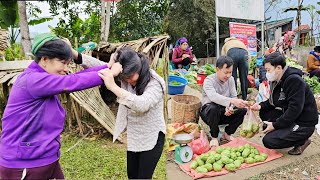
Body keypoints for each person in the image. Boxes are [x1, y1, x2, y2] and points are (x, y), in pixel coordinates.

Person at [0, 33, 122, 179]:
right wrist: (111, 74)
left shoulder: (41, 77)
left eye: (68, 63)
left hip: (44, 156)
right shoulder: (33, 80)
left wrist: (106, 67)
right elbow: (72, 82)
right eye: (63, 63)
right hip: (24, 162)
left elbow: (76, 76)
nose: (66, 68)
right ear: (44, 60)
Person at [98, 47, 166, 179]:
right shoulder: (127, 76)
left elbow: (142, 105)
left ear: (139, 68)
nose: (128, 80)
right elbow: (97, 67)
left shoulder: (155, 82)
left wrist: (113, 87)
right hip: (135, 137)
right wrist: (110, 65)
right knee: (132, 176)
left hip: (152, 138)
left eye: (130, 76)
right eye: (125, 77)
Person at [251, 52, 318, 155]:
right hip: (293, 117)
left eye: (268, 70)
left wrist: (275, 125)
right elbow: (273, 101)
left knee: (269, 141)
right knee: (265, 115)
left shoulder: (294, 80)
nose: (267, 73)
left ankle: (302, 140)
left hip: (303, 122)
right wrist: (259, 106)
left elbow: (295, 109)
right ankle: (287, 133)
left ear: (278, 68)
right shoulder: (277, 80)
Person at [200, 56, 248, 147]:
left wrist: (230, 108)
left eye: (230, 72)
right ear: (217, 69)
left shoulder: (231, 80)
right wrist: (232, 101)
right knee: (213, 108)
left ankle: (227, 134)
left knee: (243, 110)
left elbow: (233, 96)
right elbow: (213, 97)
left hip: (223, 112)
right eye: (226, 72)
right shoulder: (209, 80)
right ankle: (214, 137)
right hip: (209, 113)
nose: (228, 75)